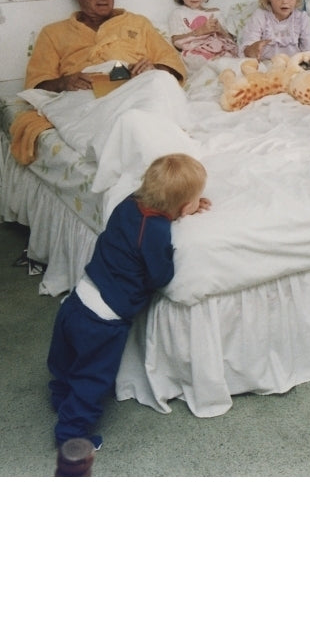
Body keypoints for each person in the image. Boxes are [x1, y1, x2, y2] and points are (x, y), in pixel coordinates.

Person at [47, 153, 210, 449]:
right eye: (196, 200)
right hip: (105, 318)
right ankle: (70, 434)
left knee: (66, 358)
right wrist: (175, 235)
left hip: (81, 296)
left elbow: (158, 206)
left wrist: (185, 202)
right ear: (184, 207)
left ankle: (60, 396)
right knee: (93, 377)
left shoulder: (128, 204)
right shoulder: (156, 232)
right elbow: (160, 276)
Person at [26, 0, 187, 92]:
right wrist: (63, 82)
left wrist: (154, 69)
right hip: (85, 99)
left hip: (137, 90)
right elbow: (35, 86)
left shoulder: (138, 23)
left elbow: (174, 65)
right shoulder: (53, 33)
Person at [168, 0, 239, 63]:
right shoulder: (178, 13)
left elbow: (231, 41)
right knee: (204, 61)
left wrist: (220, 30)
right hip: (197, 53)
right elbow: (176, 41)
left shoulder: (215, 13)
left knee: (232, 59)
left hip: (219, 50)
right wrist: (199, 31)